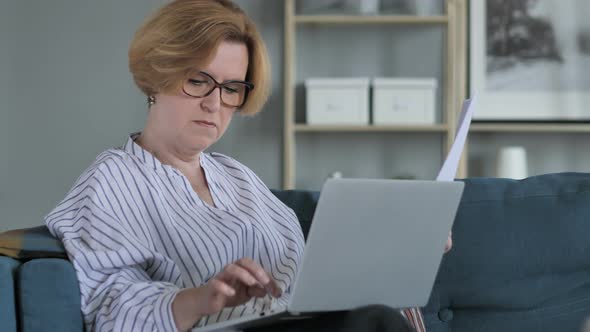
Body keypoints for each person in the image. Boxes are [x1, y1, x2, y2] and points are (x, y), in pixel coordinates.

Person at [45, 0, 446, 331]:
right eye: (198, 81)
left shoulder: (238, 179)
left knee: (375, 320)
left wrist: (402, 251)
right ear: (156, 77)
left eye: (231, 88)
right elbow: (106, 311)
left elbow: (312, 287)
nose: (214, 103)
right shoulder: (111, 179)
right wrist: (200, 299)